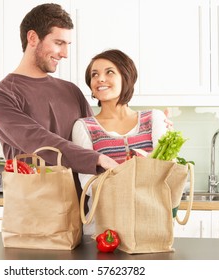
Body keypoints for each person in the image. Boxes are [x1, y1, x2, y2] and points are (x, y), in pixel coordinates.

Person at [0, 3, 118, 203]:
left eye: (67, 45)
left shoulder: (71, 91)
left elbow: (97, 137)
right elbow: (39, 141)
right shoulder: (0, 97)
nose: (64, 53)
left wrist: (143, 124)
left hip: (82, 212)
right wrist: (95, 160)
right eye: (58, 42)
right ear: (32, 38)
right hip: (35, 216)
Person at [72, 49, 169, 234]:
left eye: (109, 72)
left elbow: (163, 172)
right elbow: (88, 183)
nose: (100, 79)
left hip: (148, 224)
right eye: (94, 74)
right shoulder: (84, 127)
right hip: (101, 229)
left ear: (126, 77)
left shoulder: (153, 118)